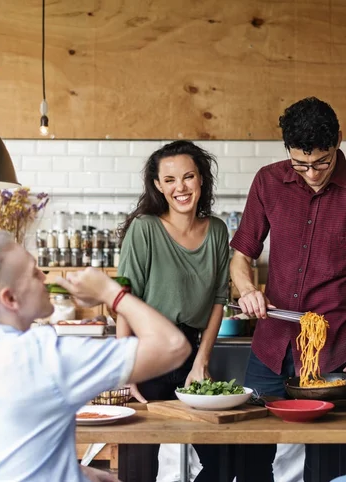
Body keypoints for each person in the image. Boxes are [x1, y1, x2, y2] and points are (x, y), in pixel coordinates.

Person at [229, 97, 346, 481]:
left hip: (331, 360)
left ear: (339, 143)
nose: (311, 173)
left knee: (328, 468)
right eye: (301, 164)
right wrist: (247, 288)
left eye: (321, 163)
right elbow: (241, 254)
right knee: (248, 462)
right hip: (269, 351)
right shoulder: (267, 181)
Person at [0, 230, 191, 481]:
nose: (45, 276)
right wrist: (110, 292)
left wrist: (80, 472)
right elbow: (173, 345)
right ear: (10, 298)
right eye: (33, 272)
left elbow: (3, 456)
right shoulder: (45, 355)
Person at [116, 140, 230, 482]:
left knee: (220, 460)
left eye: (188, 177)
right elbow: (123, 298)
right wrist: (127, 367)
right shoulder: (145, 229)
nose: (180, 187)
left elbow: (218, 301)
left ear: (201, 180)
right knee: (139, 464)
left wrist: (202, 361)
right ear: (158, 186)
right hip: (146, 355)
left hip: (191, 354)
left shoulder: (218, 231)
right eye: (169, 180)